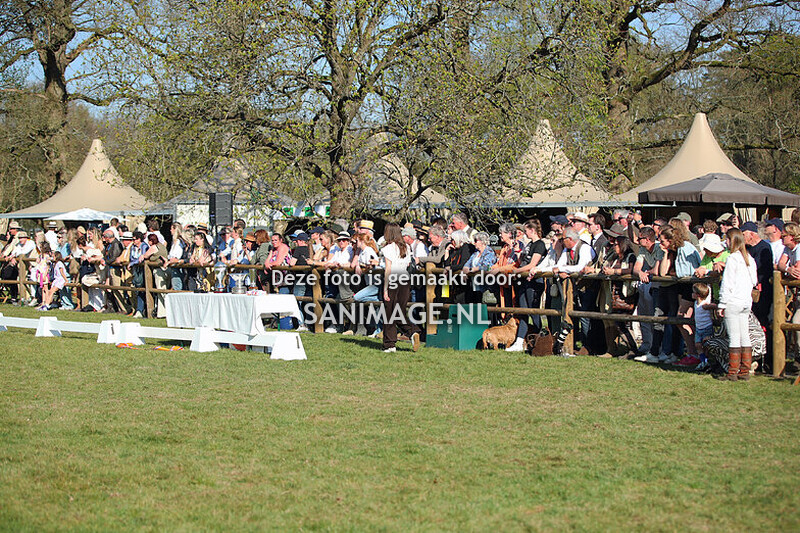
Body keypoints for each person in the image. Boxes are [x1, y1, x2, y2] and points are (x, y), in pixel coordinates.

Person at [717, 228, 758, 381]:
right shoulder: (749, 259)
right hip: (746, 301)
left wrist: (722, 304)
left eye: (727, 240)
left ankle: (733, 371)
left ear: (732, 240)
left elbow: (727, 283)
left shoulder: (733, 258)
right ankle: (744, 370)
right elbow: (754, 281)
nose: (726, 243)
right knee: (744, 336)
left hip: (733, 301)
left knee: (734, 337)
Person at [507, 219, 547, 351]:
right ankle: (519, 342)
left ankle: (539, 339)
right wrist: (518, 252)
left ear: (532, 230)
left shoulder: (540, 244)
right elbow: (523, 260)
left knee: (533, 311)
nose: (524, 233)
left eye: (526, 231)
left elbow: (532, 264)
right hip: (524, 282)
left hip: (534, 283)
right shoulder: (530, 244)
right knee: (523, 311)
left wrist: (515, 271)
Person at [380, 223, 420, 353]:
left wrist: (385, 289)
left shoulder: (388, 248)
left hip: (393, 280)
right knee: (399, 311)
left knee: (389, 312)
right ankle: (412, 331)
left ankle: (390, 344)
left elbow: (388, 269)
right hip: (405, 281)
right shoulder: (406, 247)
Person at [632, 227, 665, 363]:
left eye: (640, 238)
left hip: (659, 286)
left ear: (647, 239)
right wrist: (640, 273)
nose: (638, 241)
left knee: (656, 317)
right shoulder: (643, 249)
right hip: (647, 284)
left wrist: (648, 272)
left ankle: (659, 348)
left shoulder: (658, 248)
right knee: (644, 314)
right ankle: (647, 345)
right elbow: (636, 268)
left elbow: (658, 269)